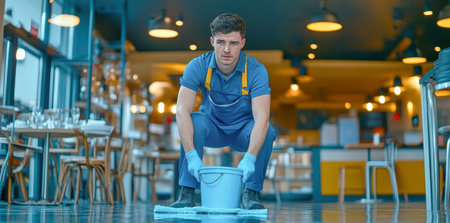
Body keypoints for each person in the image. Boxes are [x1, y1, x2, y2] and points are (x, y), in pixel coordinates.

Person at [170, 13, 276, 210]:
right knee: (195, 120)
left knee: (267, 131)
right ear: (212, 41)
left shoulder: (256, 71)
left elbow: (262, 117)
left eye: (234, 43)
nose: (227, 50)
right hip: (213, 128)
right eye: (221, 42)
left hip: (243, 132)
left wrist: (250, 157)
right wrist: (192, 156)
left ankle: (251, 194)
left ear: (242, 42)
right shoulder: (197, 66)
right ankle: (186, 192)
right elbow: (181, 110)